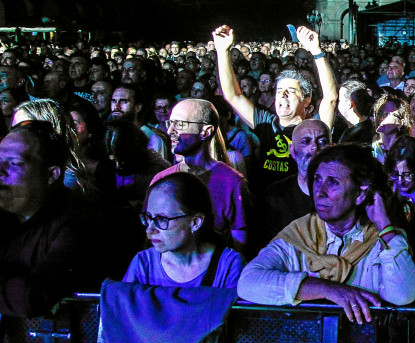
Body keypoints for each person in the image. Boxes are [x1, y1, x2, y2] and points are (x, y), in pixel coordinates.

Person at [237, 145, 415, 322]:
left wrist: (384, 225)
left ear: (360, 194)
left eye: (332, 182)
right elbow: (248, 283)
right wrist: (327, 289)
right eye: (317, 179)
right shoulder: (301, 233)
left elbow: (404, 294)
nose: (320, 191)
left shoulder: (382, 240)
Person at [212, 24, 337, 190]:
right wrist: (222, 51)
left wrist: (317, 52)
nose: (283, 95)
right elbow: (233, 96)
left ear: (306, 100)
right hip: (269, 205)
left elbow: (331, 99)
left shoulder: (313, 127)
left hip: (301, 208)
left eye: (291, 91)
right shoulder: (266, 123)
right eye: (279, 90)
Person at [0, 122, 106, 316]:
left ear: (51, 175)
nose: (1, 170)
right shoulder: (6, 217)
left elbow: (32, 296)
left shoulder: (81, 223)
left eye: (14, 163)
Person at [152, 99, 252, 251]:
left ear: (206, 132)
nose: (170, 131)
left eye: (179, 124)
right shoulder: (161, 180)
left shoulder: (231, 182)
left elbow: (240, 248)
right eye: (170, 123)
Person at [124, 172, 244, 287]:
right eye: (148, 217)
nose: (149, 230)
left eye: (161, 219)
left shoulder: (229, 267)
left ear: (195, 222)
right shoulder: (143, 264)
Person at [264, 119, 331, 241]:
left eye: (322, 141)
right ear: (292, 151)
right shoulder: (275, 195)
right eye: (306, 141)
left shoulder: (344, 194)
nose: (314, 147)